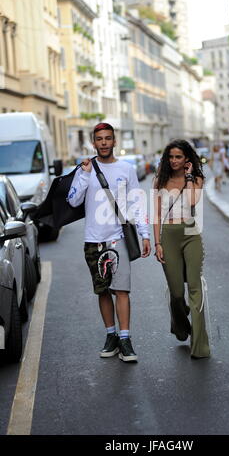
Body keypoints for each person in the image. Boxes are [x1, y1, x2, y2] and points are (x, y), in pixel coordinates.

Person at [68, 122, 151, 363]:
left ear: (115, 141)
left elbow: (137, 203)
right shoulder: (85, 170)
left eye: (108, 138)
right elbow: (73, 201)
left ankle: (125, 339)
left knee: (122, 290)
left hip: (119, 239)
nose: (104, 143)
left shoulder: (126, 169)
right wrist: (83, 175)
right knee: (103, 291)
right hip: (93, 240)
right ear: (94, 143)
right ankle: (111, 335)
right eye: (99, 139)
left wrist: (145, 235)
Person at [153, 140, 210, 359]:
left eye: (179, 157)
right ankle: (180, 324)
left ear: (187, 158)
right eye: (171, 157)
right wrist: (157, 243)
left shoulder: (196, 178)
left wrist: (188, 176)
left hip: (190, 234)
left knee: (195, 288)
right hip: (168, 235)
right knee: (177, 293)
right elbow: (156, 214)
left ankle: (200, 344)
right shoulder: (159, 180)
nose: (174, 161)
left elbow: (193, 200)